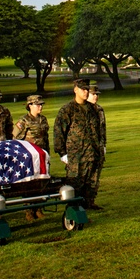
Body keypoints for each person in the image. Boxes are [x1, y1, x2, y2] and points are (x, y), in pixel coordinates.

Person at [53, 79, 102, 210]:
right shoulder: (67, 110)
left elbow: (98, 129)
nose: (86, 92)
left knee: (92, 180)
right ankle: (75, 208)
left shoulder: (93, 109)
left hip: (92, 151)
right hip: (76, 155)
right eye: (83, 89)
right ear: (75, 90)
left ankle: (89, 203)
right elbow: (59, 132)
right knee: (76, 183)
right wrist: (62, 153)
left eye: (87, 89)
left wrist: (101, 146)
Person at [13, 94, 50, 221]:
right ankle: (28, 210)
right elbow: (15, 138)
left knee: (41, 182)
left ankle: (39, 208)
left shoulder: (43, 119)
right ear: (30, 106)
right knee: (29, 183)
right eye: (37, 104)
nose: (40, 107)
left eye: (41, 104)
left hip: (42, 156)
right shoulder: (23, 121)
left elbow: (46, 138)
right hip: (29, 158)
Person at [86, 84, 107, 210]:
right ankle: (82, 203)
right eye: (93, 94)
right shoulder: (82, 110)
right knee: (84, 178)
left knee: (95, 178)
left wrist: (104, 145)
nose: (96, 97)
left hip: (98, 148)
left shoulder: (99, 110)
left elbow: (103, 129)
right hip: (85, 149)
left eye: (97, 94)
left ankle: (91, 201)